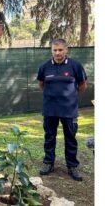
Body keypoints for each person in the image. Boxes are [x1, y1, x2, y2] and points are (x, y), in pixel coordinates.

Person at [37, 38, 87, 181]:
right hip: (50, 110)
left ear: (66, 50)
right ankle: (48, 163)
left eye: (60, 50)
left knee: (71, 138)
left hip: (69, 110)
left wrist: (70, 97)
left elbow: (82, 84)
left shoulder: (75, 66)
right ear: (51, 50)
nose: (57, 53)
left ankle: (72, 166)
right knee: (49, 137)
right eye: (55, 50)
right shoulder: (44, 67)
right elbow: (41, 84)